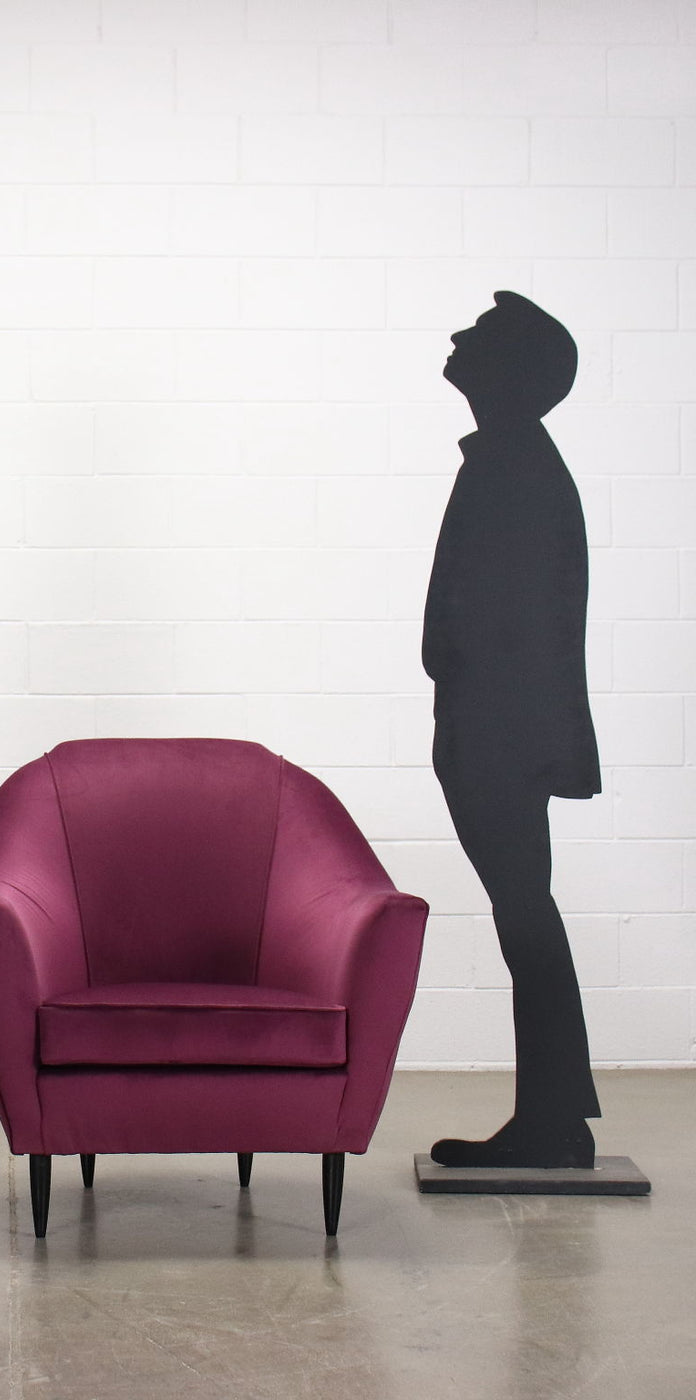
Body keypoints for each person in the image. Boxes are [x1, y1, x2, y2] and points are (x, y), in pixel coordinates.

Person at [423, 291, 601, 1169]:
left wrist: (478, 723)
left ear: (513, 371)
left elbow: (517, 626)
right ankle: (556, 1115)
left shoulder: (514, 468)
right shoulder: (512, 460)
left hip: (501, 738)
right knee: (526, 914)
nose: (460, 336)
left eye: (482, 335)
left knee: (526, 916)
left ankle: (554, 1122)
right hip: (499, 733)